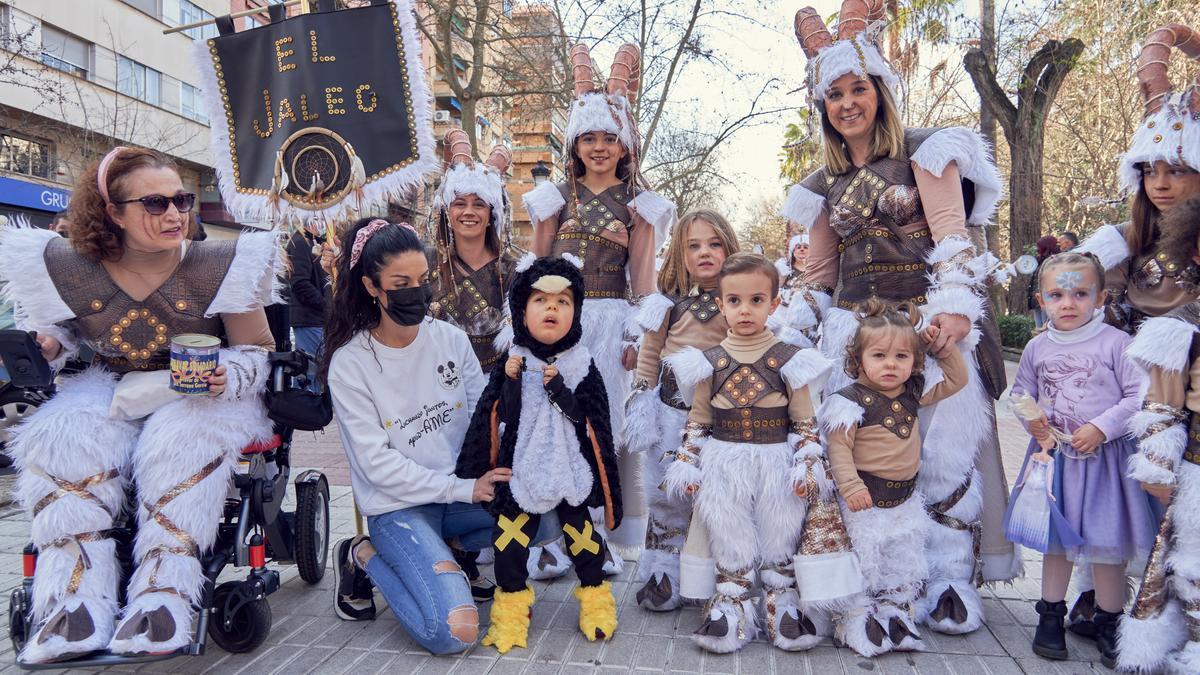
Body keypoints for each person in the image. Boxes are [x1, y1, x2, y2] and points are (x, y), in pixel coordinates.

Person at [785, 0, 1016, 636]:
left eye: (859, 88)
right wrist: (787, 324)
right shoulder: (820, 183)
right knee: (870, 459)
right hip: (856, 341)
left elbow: (952, 235)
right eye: (834, 94)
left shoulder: (927, 150)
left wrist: (954, 313)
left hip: (925, 329)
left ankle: (947, 579)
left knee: (940, 459)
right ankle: (874, 583)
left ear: (881, 91)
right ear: (822, 106)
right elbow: (819, 274)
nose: (847, 103)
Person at [1, 146, 280, 662]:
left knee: (181, 435)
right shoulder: (66, 266)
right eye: (155, 203)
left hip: (204, 394)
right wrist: (49, 345)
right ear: (113, 211)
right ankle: (75, 602)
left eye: (182, 200)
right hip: (118, 386)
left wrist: (230, 375)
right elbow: (59, 337)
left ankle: (164, 596)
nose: (175, 214)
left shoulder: (222, 263)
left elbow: (257, 351)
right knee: (59, 433)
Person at [323, 219, 511, 654]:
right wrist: (462, 489)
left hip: (459, 498)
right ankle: (362, 555)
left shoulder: (450, 339)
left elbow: (483, 418)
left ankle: (448, 553)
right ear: (372, 286)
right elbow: (378, 468)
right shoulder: (351, 365)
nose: (418, 292)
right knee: (455, 633)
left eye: (423, 280)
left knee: (546, 513)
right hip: (399, 508)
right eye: (401, 283)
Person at [521, 42, 676, 558]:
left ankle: (592, 537)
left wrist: (637, 337)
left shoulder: (640, 208)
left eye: (610, 137)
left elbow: (644, 282)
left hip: (609, 326)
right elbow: (533, 268)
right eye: (588, 137)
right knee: (547, 423)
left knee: (597, 424)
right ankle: (547, 537)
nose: (599, 147)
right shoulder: (553, 199)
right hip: (554, 323)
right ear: (574, 143)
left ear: (626, 144)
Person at [1072, 23, 1200, 641]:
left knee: (1166, 502)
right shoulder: (1126, 241)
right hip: (1124, 386)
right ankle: (1100, 597)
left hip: (1180, 389)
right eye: (1151, 170)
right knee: (1110, 499)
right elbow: (1085, 296)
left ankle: (1164, 617)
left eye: (1177, 168)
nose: (1162, 181)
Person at [662, 253, 856, 654]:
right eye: (734, 301)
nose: (744, 309)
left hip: (776, 461)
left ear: (774, 303)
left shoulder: (791, 360)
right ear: (721, 304)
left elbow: (804, 419)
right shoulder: (706, 363)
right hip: (724, 460)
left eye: (755, 300)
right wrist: (687, 458)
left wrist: (807, 460)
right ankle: (730, 603)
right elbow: (699, 419)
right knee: (728, 530)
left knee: (779, 529)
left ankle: (780, 600)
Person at [457, 255, 622, 653]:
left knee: (583, 541)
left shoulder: (582, 363)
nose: (552, 308)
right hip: (521, 471)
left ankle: (596, 601)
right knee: (508, 544)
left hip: (570, 471)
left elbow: (594, 420)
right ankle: (511, 613)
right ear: (521, 311)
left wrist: (562, 392)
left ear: (575, 313)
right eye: (541, 301)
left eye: (563, 302)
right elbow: (498, 417)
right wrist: (511, 384)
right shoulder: (512, 362)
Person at [1005, 253, 1158, 667]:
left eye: (1080, 293)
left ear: (1101, 297)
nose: (1068, 303)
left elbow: (1137, 395)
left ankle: (1109, 620)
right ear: (1040, 299)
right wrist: (1035, 425)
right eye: (1056, 294)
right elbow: (1021, 394)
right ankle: (1050, 616)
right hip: (1056, 462)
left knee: (1107, 544)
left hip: (1105, 462)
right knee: (1058, 542)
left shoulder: (1117, 344)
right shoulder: (1037, 347)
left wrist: (1101, 428)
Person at [820, 300, 967, 656]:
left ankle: (895, 611)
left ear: (914, 362)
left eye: (902, 357)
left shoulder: (913, 393)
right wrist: (851, 486)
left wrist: (939, 348)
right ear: (858, 359)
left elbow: (958, 379)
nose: (890, 364)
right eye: (880, 355)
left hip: (904, 502)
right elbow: (838, 450)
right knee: (863, 561)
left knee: (900, 561)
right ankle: (853, 616)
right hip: (863, 503)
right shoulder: (848, 401)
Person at [624, 208, 739, 611]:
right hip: (671, 414)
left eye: (714, 243)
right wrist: (641, 398)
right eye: (693, 246)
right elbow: (650, 354)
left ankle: (714, 578)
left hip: (721, 418)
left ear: (729, 246)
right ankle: (662, 574)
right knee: (668, 494)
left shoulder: (737, 301)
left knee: (715, 496)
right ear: (679, 254)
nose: (704, 252)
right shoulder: (665, 305)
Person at [1114, 195, 1200, 673]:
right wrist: (1157, 464)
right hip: (1198, 469)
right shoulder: (1180, 328)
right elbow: (1162, 405)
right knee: (1193, 562)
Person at [431, 129, 518, 375]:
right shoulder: (424, 263)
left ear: (491, 215)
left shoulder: (511, 271)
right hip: (435, 391)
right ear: (448, 212)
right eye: (460, 203)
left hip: (492, 393)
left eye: (478, 204)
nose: (469, 212)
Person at [772, 232, 828, 348]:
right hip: (784, 318)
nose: (802, 250)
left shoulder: (816, 271)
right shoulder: (784, 269)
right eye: (798, 247)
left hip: (808, 321)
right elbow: (774, 291)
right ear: (793, 250)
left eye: (805, 247)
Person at [286, 225, 331, 368]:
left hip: (318, 319)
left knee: (319, 371)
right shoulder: (299, 242)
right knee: (312, 372)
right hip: (310, 319)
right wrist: (326, 305)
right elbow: (299, 283)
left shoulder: (314, 242)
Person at [1029, 235, 1061, 329]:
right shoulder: (1039, 260)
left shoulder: (1054, 260)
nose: (1037, 249)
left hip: (1048, 299)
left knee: (1047, 328)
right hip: (1037, 300)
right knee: (1039, 329)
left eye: (1039, 247)